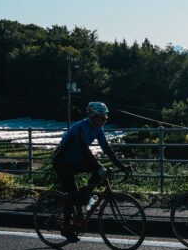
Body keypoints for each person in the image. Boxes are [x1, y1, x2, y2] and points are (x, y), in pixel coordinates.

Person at [52, 101, 132, 242]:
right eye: (102, 118)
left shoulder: (97, 129)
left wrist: (122, 167)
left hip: (75, 160)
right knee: (73, 193)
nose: (104, 121)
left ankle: (85, 194)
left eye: (105, 119)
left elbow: (107, 149)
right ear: (93, 117)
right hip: (62, 161)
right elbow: (86, 152)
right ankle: (65, 227)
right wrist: (98, 166)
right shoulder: (80, 128)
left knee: (99, 172)